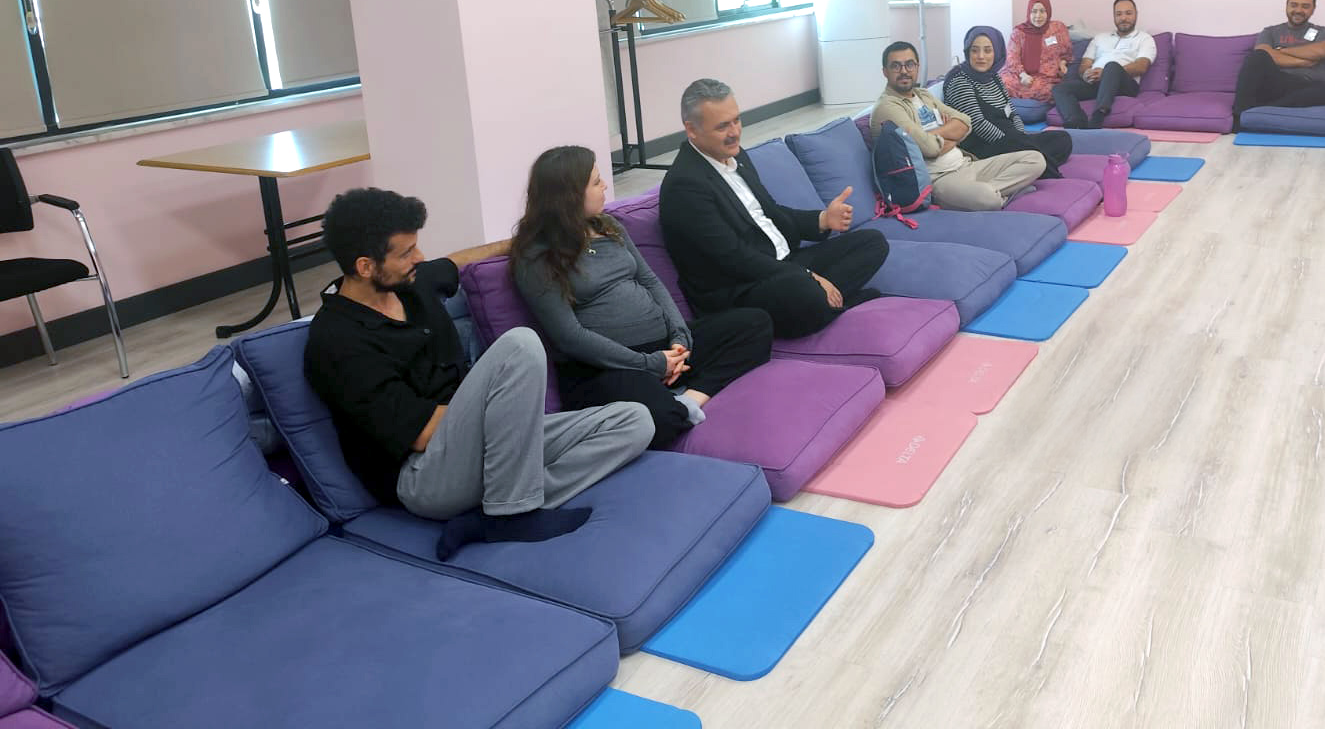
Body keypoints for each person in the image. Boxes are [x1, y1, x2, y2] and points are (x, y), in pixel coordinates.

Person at [304, 188, 653, 562]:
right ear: (365, 266)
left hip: (481, 445)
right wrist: (502, 411)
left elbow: (455, 262)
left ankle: (493, 513)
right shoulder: (337, 341)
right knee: (520, 345)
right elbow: (420, 434)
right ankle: (513, 513)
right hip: (425, 476)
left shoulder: (410, 283)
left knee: (634, 422)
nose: (419, 258)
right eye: (406, 253)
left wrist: (519, 244)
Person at [511, 146, 772, 449]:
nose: (605, 186)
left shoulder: (609, 227)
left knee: (756, 324)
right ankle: (670, 399)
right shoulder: (536, 257)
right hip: (606, 367)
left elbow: (650, 281)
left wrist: (679, 337)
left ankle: (690, 398)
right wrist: (649, 364)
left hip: (662, 350)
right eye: (596, 182)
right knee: (660, 420)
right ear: (568, 196)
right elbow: (570, 337)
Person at [660, 78, 889, 340]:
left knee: (873, 243)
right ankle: (833, 301)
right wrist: (808, 276)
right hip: (741, 286)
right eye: (722, 126)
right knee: (803, 292)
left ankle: (828, 303)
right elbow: (733, 258)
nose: (734, 132)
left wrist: (823, 219)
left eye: (736, 120)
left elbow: (771, 212)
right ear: (692, 129)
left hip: (782, 264)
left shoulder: (736, 156)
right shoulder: (684, 186)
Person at [872, 41, 1046, 212]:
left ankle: (995, 192)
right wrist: (951, 135)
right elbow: (930, 148)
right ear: (885, 71)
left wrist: (934, 135)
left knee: (1035, 159)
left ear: (917, 67)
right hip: (939, 179)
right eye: (896, 66)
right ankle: (1003, 192)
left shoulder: (923, 95)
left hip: (966, 164)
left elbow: (965, 122)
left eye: (909, 64)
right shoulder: (887, 107)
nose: (904, 71)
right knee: (988, 198)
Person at [941, 26, 1072, 177]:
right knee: (1029, 151)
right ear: (967, 51)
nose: (981, 56)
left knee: (1062, 139)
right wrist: (1015, 142)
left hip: (1011, 138)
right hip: (983, 145)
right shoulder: (959, 80)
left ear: (996, 52)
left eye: (987, 50)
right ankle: (1047, 172)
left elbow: (1011, 112)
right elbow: (978, 124)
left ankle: (1027, 165)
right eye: (974, 50)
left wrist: (1022, 136)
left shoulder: (994, 77)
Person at [1233, 0, 1325, 126]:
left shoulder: (1322, 32)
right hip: (1278, 82)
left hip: (1310, 84)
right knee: (1256, 57)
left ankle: (1263, 109)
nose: (1298, 10)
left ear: (1313, 9)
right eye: (1294, 5)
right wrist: (1303, 61)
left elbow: (1321, 51)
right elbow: (1263, 54)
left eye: (1305, 6)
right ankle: (1239, 117)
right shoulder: (1270, 31)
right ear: (1286, 6)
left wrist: (1280, 50)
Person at [1055, 0, 1157, 128]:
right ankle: (1076, 121)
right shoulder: (1100, 38)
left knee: (1112, 66)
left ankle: (1098, 117)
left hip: (1124, 85)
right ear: (1114, 17)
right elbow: (1085, 63)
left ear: (1136, 14)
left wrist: (1105, 73)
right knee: (1060, 88)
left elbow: (1141, 66)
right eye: (1119, 14)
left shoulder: (1144, 38)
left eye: (1128, 13)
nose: (1123, 18)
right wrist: (1086, 74)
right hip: (1096, 83)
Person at [999, 0, 1074, 122]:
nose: (1038, 16)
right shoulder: (1019, 32)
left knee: (1050, 90)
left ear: (1048, 11)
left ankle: (1014, 99)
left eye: (1042, 11)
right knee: (1000, 82)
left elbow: (1066, 52)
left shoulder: (1058, 28)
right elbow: (1012, 57)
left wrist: (1062, 63)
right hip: (1018, 75)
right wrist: (1023, 75)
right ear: (1029, 12)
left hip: (1045, 78)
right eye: (1034, 11)